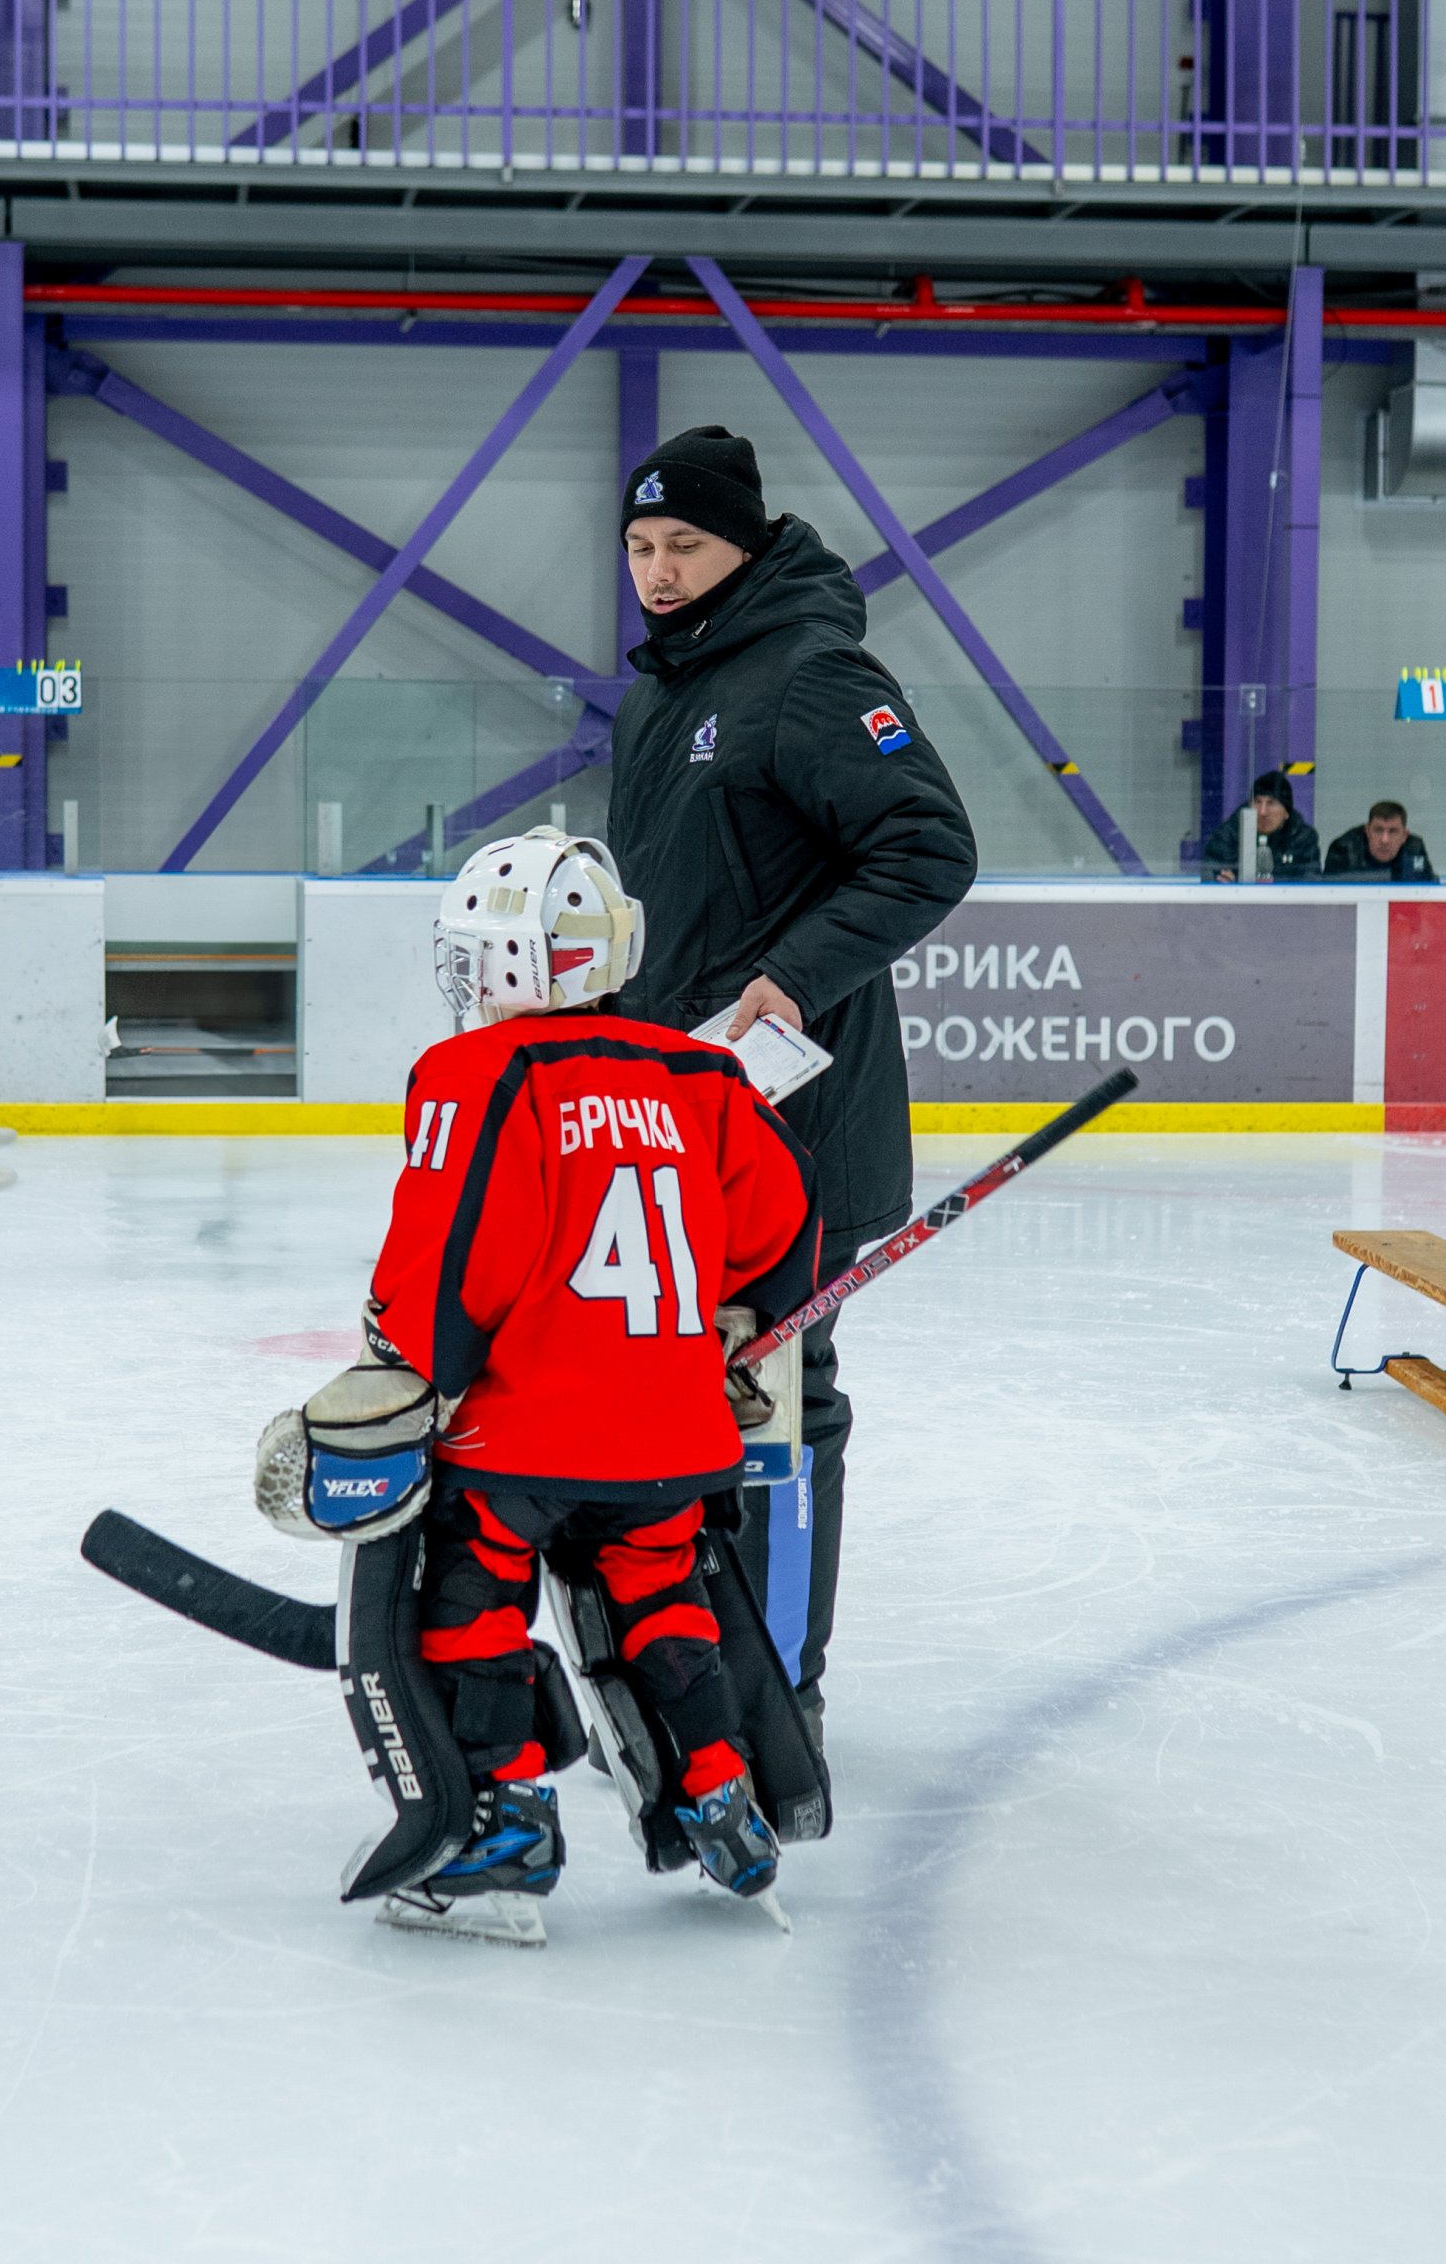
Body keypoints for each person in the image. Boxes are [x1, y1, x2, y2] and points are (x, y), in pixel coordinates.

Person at [288, 822, 821, 1943]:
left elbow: (457, 1251)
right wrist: (734, 1325)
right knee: (662, 1592)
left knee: (473, 1594)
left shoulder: (478, 1070)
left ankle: (505, 1828)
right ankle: (724, 1803)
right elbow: (784, 1224)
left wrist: (408, 1359)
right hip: (673, 1435)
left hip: (524, 1437)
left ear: (514, 961)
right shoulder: (703, 1073)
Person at [605, 425, 976, 1735]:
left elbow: (928, 845)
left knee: (774, 1404)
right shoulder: (661, 689)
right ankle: (688, 1684)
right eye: (639, 545)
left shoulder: (809, 670)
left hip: (795, 1128)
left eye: (684, 544)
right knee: (675, 1404)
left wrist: (795, 976)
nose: (657, 570)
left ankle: (776, 1709)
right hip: (673, 1120)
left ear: (745, 545)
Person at [1200, 767, 1322, 881]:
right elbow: (1210, 873)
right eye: (1258, 802)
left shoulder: (1303, 838)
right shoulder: (1229, 834)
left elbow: (1311, 881)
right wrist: (1226, 882)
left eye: (1271, 803)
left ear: (1286, 812)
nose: (1262, 812)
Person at [1322, 800, 1439, 883]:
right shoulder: (1344, 848)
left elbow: (1425, 885)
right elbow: (1329, 893)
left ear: (1404, 836)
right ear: (1367, 831)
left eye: (1392, 831)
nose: (1384, 840)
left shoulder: (1414, 849)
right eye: (1378, 830)